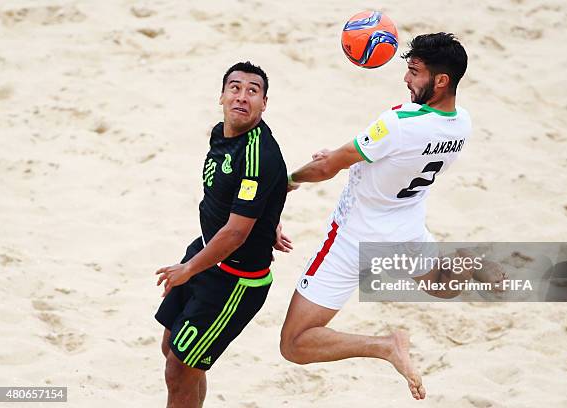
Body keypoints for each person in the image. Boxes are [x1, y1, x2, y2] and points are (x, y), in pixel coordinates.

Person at [280, 33, 502, 401]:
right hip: (406, 232)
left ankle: (385, 346)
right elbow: (393, 158)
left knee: (294, 344)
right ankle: (469, 260)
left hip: (354, 241)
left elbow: (327, 169)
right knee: (444, 286)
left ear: (441, 80)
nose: (406, 78)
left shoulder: (398, 122)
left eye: (414, 72)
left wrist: (291, 180)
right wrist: (344, 156)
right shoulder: (462, 124)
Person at [154, 61, 290, 408]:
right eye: (235, 88)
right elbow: (246, 196)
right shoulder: (222, 133)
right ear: (222, 96)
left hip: (234, 281)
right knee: (172, 348)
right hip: (204, 253)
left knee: (179, 370)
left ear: (264, 103)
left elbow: (235, 233)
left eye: (252, 91)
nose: (242, 97)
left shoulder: (259, 153)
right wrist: (268, 220)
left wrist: (187, 270)